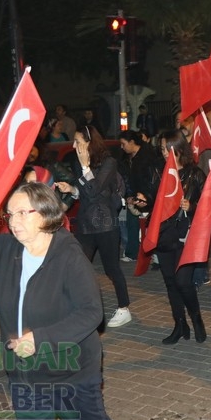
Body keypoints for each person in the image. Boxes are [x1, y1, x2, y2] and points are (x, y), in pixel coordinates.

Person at [0, 180, 122, 420]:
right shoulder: (7, 249)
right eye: (10, 213)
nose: (13, 221)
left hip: (70, 373)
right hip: (24, 374)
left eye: (21, 212)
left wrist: (40, 339)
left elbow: (91, 312)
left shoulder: (69, 256)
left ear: (44, 213)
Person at [55, 125, 132, 328]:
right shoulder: (77, 163)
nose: (74, 146)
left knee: (111, 268)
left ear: (89, 143)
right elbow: (84, 193)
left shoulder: (109, 162)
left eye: (78, 142)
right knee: (78, 265)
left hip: (105, 223)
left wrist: (85, 167)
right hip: (86, 224)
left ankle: (124, 308)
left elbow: (95, 190)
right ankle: (77, 306)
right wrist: (71, 189)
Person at [154, 130, 207, 344]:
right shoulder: (159, 174)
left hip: (186, 237)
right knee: (170, 282)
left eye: (168, 149)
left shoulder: (195, 174)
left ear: (178, 149)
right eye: (162, 150)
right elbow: (154, 201)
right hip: (165, 234)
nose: (165, 154)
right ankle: (179, 323)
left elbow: (208, 207)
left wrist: (191, 206)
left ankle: (196, 319)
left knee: (183, 281)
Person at [118, 130, 163, 262]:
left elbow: (151, 179)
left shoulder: (148, 156)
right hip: (134, 196)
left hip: (148, 196)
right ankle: (133, 253)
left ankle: (156, 256)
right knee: (132, 224)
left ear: (132, 142)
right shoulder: (127, 157)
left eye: (123, 144)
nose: (122, 147)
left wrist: (144, 195)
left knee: (151, 227)